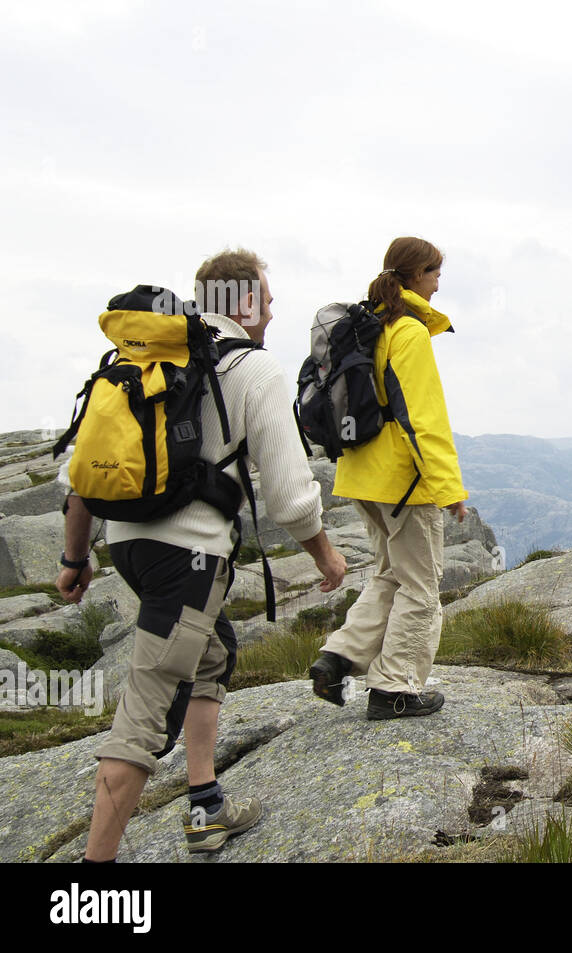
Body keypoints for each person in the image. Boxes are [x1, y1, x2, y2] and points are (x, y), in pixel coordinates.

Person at [57, 248, 348, 861]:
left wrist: (76, 560)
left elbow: (80, 476)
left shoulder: (141, 361)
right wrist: (325, 556)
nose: (271, 310)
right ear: (244, 303)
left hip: (129, 546)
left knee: (212, 653)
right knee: (145, 717)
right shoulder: (253, 367)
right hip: (188, 558)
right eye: (266, 299)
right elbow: (294, 499)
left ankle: (206, 807)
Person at [309, 237, 468, 720]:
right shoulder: (408, 331)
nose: (439, 283)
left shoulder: (369, 324)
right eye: (436, 273)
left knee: (388, 575)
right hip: (402, 484)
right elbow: (422, 417)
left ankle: (337, 657)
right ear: (417, 274)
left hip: (361, 476)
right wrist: (449, 489)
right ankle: (395, 688)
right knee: (421, 586)